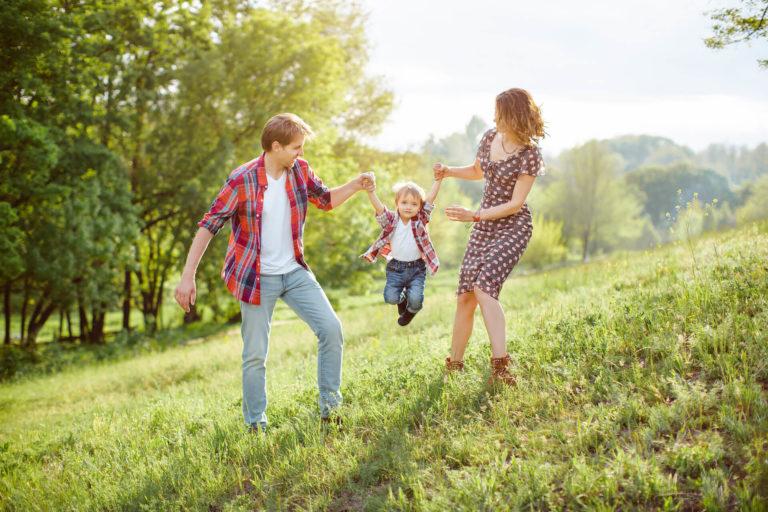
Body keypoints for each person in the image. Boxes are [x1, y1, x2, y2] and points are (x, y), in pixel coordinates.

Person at [174, 113, 374, 432]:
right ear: (276, 146)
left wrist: (357, 185)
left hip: (294, 271)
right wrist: (188, 276)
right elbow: (208, 225)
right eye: (296, 147)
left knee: (331, 329)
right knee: (255, 354)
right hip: (256, 278)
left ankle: (330, 409)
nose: (301, 153)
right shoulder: (242, 179)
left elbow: (325, 200)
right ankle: (256, 424)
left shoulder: (300, 171)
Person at [434, 88, 546, 385]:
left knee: (484, 288)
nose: (494, 118)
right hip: (483, 225)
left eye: (500, 113)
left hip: (512, 226)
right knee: (465, 297)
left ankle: (501, 367)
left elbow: (515, 204)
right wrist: (447, 172)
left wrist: (475, 215)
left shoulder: (530, 154)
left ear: (515, 116)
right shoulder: (489, 137)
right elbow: (475, 170)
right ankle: (454, 366)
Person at [361, 178, 442, 326]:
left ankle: (412, 310)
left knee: (416, 300)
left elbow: (430, 199)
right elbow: (379, 208)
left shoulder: (420, 220)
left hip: (417, 268)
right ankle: (402, 299)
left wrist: (438, 179)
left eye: (414, 204)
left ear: (420, 207)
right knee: (390, 298)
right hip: (395, 268)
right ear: (397, 203)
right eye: (404, 202)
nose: (408, 207)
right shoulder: (391, 220)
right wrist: (371, 192)